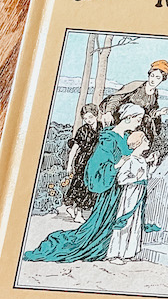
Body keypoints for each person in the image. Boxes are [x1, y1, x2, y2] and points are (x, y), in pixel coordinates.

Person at [24, 105, 144, 263]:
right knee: (102, 225)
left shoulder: (125, 136)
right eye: (138, 119)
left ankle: (116, 250)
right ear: (128, 118)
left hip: (120, 188)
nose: (139, 123)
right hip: (110, 189)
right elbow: (97, 165)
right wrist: (119, 163)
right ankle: (109, 252)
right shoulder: (109, 137)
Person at [106, 130, 154, 264]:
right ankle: (116, 253)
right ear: (138, 143)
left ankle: (128, 252)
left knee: (135, 223)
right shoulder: (130, 161)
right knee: (125, 222)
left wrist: (152, 165)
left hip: (139, 195)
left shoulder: (142, 161)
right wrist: (135, 179)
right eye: (145, 140)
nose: (148, 142)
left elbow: (146, 177)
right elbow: (121, 179)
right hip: (129, 195)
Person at [100, 60, 168, 144]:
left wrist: (159, 112)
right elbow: (116, 98)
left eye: (158, 78)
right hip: (123, 121)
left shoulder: (155, 93)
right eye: (152, 76)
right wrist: (109, 112)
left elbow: (150, 112)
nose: (153, 80)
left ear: (162, 79)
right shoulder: (136, 86)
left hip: (138, 126)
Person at [61, 103, 102, 221]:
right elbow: (74, 148)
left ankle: (73, 209)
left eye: (90, 117)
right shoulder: (82, 130)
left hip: (96, 161)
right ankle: (78, 213)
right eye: (85, 118)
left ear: (95, 115)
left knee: (90, 186)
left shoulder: (101, 127)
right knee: (81, 186)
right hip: (83, 161)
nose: (88, 120)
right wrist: (69, 165)